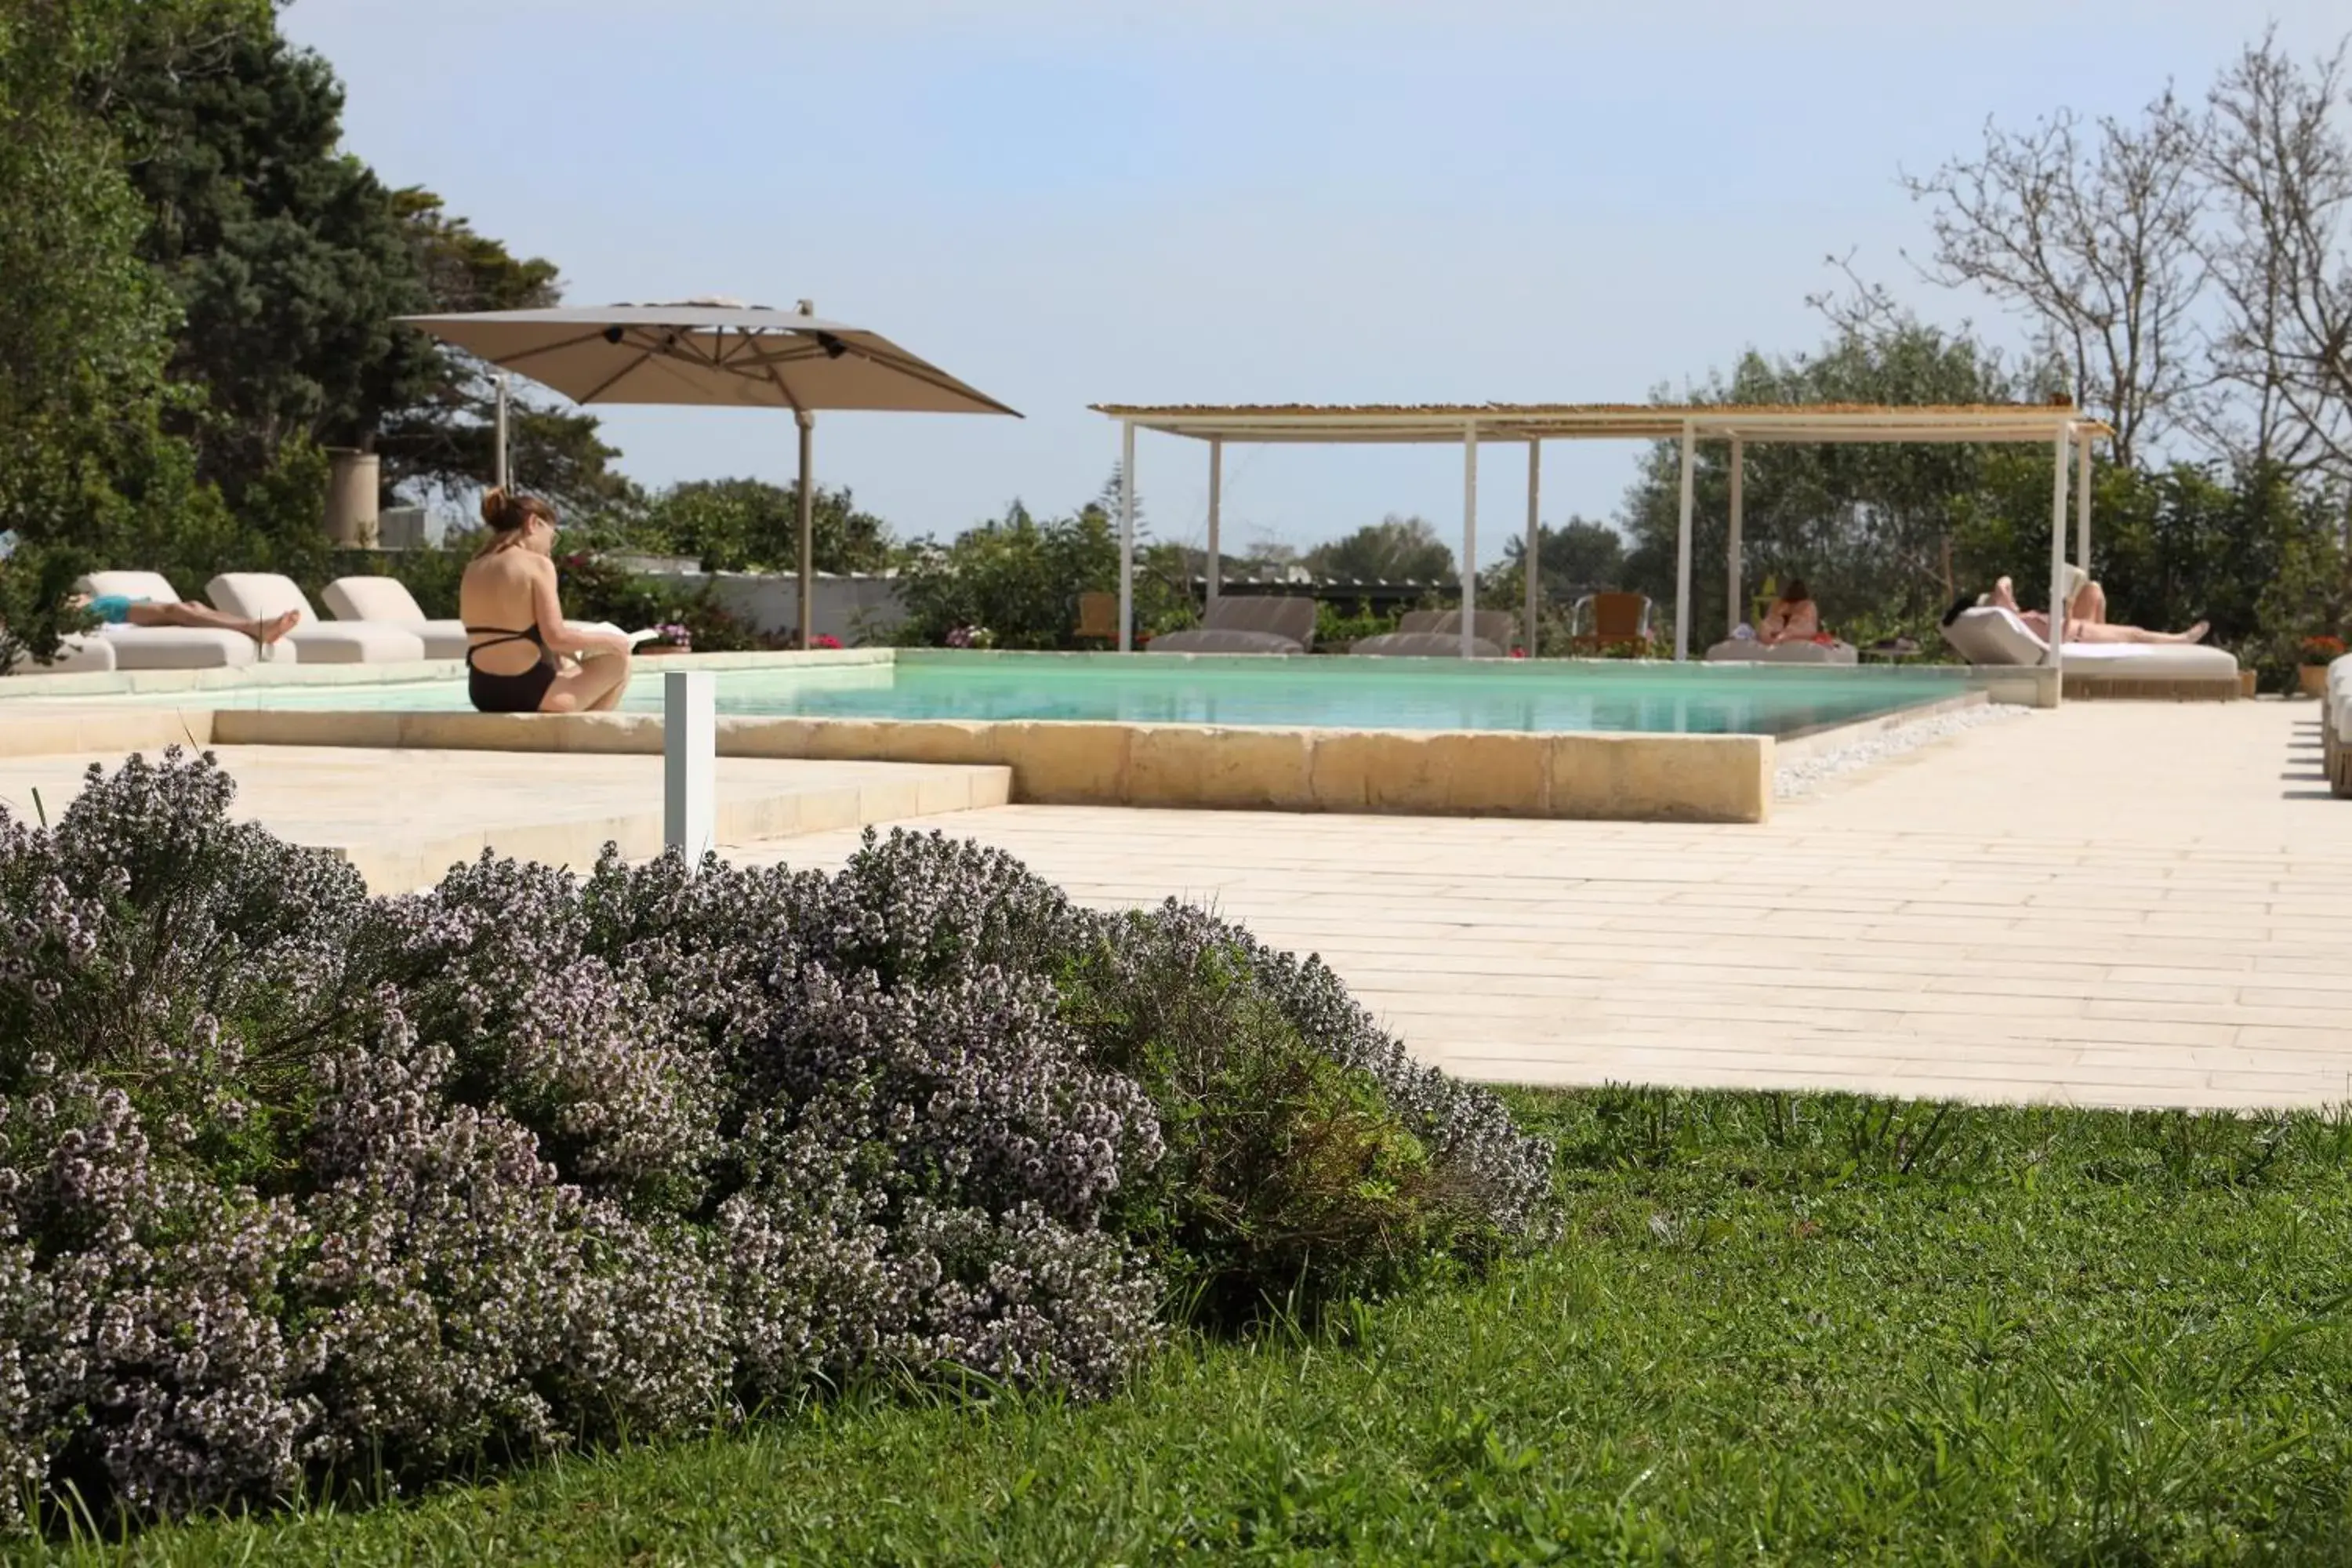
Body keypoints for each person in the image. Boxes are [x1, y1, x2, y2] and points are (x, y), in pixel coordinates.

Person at [459, 488, 633, 713]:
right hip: (527, 693)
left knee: (566, 662)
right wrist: (614, 641)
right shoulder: (537, 564)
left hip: (482, 692)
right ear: (533, 523)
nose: (550, 547)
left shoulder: (474, 567)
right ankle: (588, 736)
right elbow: (557, 637)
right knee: (618, 662)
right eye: (552, 537)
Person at [1981, 574, 2208, 645]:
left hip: (2080, 628)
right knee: (2134, 634)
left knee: (2094, 591)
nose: (2012, 599)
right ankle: (2181, 639)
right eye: (2004, 599)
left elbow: (2005, 582)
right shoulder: (2017, 623)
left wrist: (2002, 585)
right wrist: (2068, 611)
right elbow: (2058, 637)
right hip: (2079, 634)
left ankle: (2180, 638)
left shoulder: (2019, 618)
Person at [71, 590, 300, 647]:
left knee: (192, 606)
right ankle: (252, 627)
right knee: (177, 610)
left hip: (114, 604)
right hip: (109, 612)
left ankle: (251, 625)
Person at [1757, 577, 1822, 645]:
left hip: (1785, 637)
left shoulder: (1808, 605)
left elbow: (1808, 628)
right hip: (1780, 637)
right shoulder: (1777, 604)